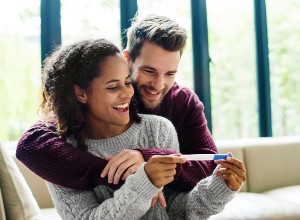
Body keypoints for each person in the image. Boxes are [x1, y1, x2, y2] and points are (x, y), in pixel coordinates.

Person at [39, 38, 245, 219]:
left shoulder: (159, 130)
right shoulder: (59, 156)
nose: (127, 94)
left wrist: (219, 188)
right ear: (81, 93)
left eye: (127, 83)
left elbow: (172, 211)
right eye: (113, 87)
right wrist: (144, 183)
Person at [17, 14, 218, 193]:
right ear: (127, 58)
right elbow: (30, 144)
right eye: (149, 71)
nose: (158, 84)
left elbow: (208, 165)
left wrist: (148, 160)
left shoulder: (184, 101)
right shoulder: (102, 98)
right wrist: (120, 174)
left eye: (170, 74)